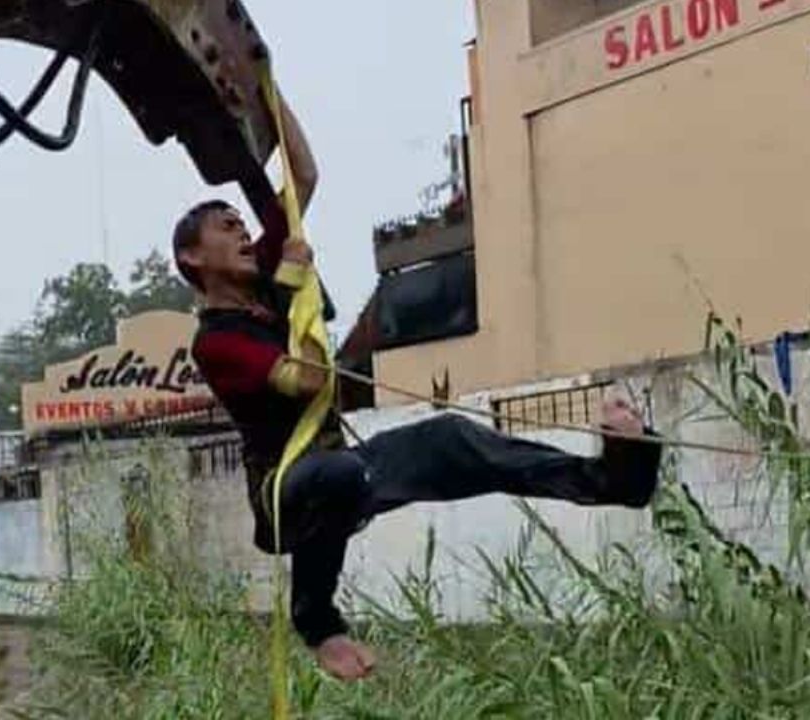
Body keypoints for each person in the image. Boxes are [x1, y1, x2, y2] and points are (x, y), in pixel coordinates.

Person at [171, 95, 663, 682]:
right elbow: (306, 381)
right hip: (287, 493)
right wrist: (295, 276)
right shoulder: (217, 342)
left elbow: (303, 175)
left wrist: (266, 93)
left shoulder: (268, 284)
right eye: (227, 228)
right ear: (193, 256)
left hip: (344, 467)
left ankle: (617, 477)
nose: (244, 232)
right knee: (338, 475)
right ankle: (318, 623)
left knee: (455, 438)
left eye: (243, 223)